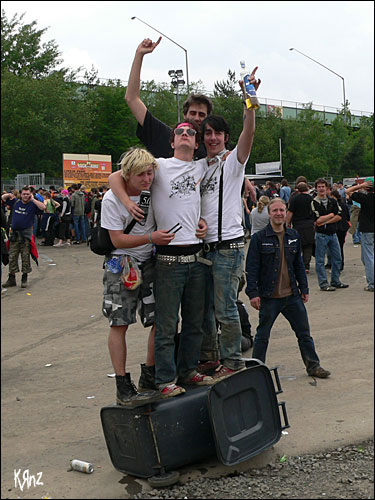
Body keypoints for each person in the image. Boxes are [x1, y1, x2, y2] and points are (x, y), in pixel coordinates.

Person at [108, 120, 213, 398]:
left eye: (191, 133)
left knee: (194, 322)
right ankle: (164, 379)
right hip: (167, 260)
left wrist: (201, 221)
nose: (186, 135)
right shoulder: (159, 166)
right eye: (180, 131)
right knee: (166, 324)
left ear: (197, 142)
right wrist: (129, 203)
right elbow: (115, 177)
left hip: (195, 256)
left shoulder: (202, 167)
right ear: (171, 141)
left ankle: (187, 371)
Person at [124, 36, 257, 211]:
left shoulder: (210, 147)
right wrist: (139, 55)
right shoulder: (165, 135)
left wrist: (244, 178)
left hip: (198, 229)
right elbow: (131, 98)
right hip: (165, 229)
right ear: (184, 114)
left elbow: (233, 161)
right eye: (192, 113)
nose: (196, 118)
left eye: (202, 114)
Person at [198, 73, 260, 382]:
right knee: (207, 310)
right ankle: (211, 358)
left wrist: (249, 102)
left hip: (229, 248)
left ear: (225, 137)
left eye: (217, 133)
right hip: (203, 249)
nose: (212, 138)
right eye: (207, 133)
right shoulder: (199, 166)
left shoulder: (233, 163)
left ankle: (233, 361)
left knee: (225, 308)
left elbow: (248, 134)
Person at [101, 147, 175, 407]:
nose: (147, 179)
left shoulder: (151, 190)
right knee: (119, 323)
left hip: (150, 261)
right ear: (128, 175)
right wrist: (150, 238)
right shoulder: (111, 200)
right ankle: (122, 385)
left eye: (150, 173)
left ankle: (150, 374)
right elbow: (117, 239)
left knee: (159, 318)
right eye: (141, 175)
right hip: (121, 263)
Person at [245, 198, 330, 378]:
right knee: (262, 336)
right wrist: (253, 293)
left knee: (304, 334)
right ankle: (254, 372)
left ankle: (313, 366)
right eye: (275, 210)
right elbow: (251, 268)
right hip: (269, 297)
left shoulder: (293, 235)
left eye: (282, 210)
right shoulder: (259, 239)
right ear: (269, 213)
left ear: (286, 213)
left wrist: (304, 289)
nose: (279, 214)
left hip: (292, 296)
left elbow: (299, 264)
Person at [1, 186, 45, 288]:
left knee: (25, 257)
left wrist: (33, 199)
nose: (25, 196)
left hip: (25, 236)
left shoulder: (32, 205)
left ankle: (24, 278)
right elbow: (3, 198)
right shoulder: (16, 202)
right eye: (24, 194)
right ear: (21, 194)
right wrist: (9, 194)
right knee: (12, 257)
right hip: (14, 235)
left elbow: (43, 207)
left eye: (27, 194)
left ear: (30, 194)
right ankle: (11, 278)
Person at [311, 178, 349, 291]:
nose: (321, 189)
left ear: (327, 188)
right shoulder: (314, 202)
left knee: (337, 258)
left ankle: (335, 280)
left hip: (333, 233)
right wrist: (331, 215)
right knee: (320, 260)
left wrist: (326, 221)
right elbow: (317, 220)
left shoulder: (333, 201)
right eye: (319, 187)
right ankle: (323, 283)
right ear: (316, 188)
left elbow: (339, 216)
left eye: (323, 186)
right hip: (321, 235)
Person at [345, 178, 374, 291]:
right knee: (367, 257)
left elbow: (348, 191)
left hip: (367, 229)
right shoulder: (365, 197)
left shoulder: (364, 198)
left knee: (368, 257)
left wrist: (360, 186)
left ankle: (372, 283)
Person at [286, 182, 315, 273]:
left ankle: (297, 264)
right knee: (308, 246)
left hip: (298, 224)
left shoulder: (295, 199)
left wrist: (287, 224)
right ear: (307, 189)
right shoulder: (311, 199)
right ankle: (306, 266)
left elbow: (290, 212)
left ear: (297, 190)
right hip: (309, 224)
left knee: (298, 245)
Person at [331, 190, 350, 272]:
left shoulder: (334, 205)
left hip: (336, 227)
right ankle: (340, 265)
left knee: (335, 249)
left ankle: (337, 265)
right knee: (340, 247)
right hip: (343, 227)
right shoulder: (344, 205)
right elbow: (348, 217)